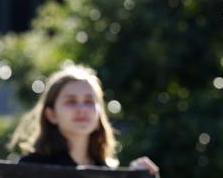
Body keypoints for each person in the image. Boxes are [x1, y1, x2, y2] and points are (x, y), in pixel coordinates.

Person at [9, 65, 159, 176]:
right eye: (71, 101)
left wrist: (136, 175)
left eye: (89, 101)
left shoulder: (107, 171)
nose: (82, 108)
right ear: (51, 115)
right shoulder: (33, 167)